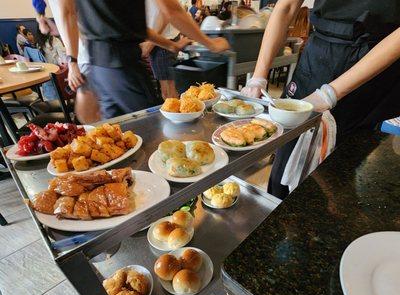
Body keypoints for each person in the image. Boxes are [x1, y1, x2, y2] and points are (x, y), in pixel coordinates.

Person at [241, 0, 400, 199]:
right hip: (317, 55)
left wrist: (331, 93)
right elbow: (286, 7)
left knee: (341, 168)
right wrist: (258, 76)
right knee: (287, 154)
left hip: (373, 64)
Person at [57, 0, 229, 119]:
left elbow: (69, 13)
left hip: (99, 67)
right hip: (123, 66)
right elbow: (172, 10)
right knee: (152, 129)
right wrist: (210, 44)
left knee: (118, 136)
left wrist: (170, 45)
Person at [143, 0, 191, 99]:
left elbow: (166, 12)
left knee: (168, 93)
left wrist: (150, 43)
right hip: (159, 40)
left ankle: (179, 113)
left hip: (163, 40)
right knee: (167, 92)